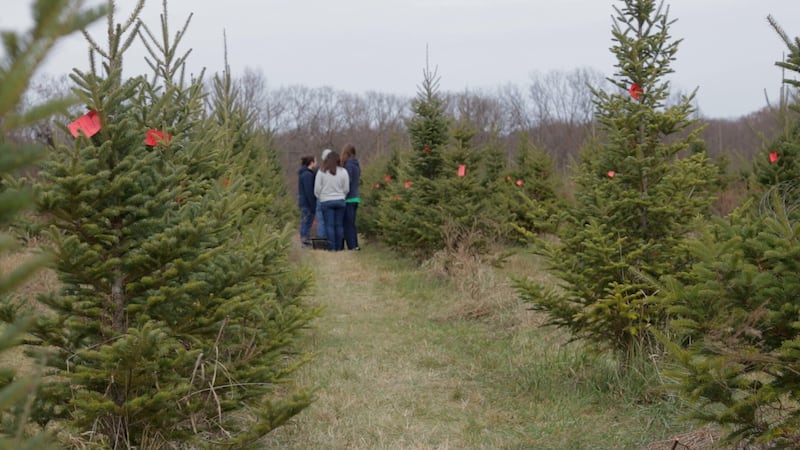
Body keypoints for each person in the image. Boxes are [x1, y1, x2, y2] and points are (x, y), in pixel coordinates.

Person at [314, 149, 349, 251]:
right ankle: (339, 247)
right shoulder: (343, 172)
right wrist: (342, 195)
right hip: (340, 200)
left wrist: (321, 197)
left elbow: (317, 189)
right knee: (339, 225)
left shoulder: (322, 172)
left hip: (326, 201)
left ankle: (331, 247)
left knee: (329, 225)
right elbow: (346, 188)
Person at [341, 143, 361, 250]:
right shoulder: (356, 164)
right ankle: (354, 244)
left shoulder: (348, 165)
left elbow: (348, 181)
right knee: (351, 223)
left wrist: (343, 194)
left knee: (348, 223)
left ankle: (352, 245)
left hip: (348, 198)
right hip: (356, 197)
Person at [297, 155, 316, 246]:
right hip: (307, 203)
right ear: (311, 162)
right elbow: (309, 191)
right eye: (315, 161)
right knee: (307, 221)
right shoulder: (307, 175)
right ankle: (305, 239)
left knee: (305, 220)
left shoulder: (304, 173)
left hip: (303, 201)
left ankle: (305, 238)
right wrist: (313, 204)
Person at [315, 149, 332, 240]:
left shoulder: (321, 171)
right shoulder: (339, 170)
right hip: (335, 199)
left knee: (321, 220)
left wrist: (319, 196)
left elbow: (317, 188)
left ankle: (321, 240)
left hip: (322, 198)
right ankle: (332, 241)